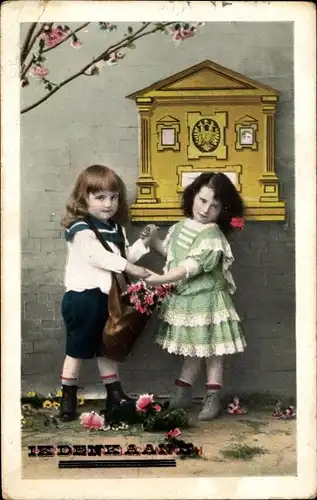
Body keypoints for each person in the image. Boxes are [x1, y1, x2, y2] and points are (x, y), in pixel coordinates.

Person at [142, 172, 246, 421]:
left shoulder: (212, 236)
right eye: (202, 200)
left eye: (215, 206)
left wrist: (156, 279)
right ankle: (182, 392)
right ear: (192, 196)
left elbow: (189, 267)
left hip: (208, 299)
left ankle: (213, 397)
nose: (206, 209)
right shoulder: (180, 227)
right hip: (187, 300)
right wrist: (153, 240)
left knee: (212, 352)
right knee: (192, 349)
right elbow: (170, 254)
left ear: (223, 211)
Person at [59, 164, 156, 421]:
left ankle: (114, 394)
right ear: (83, 198)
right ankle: (67, 398)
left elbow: (122, 258)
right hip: (83, 298)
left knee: (107, 346)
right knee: (77, 348)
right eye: (100, 197)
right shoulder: (80, 228)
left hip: (107, 298)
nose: (108, 204)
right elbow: (97, 256)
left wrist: (142, 243)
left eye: (113, 197)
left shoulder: (115, 229)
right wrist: (131, 267)